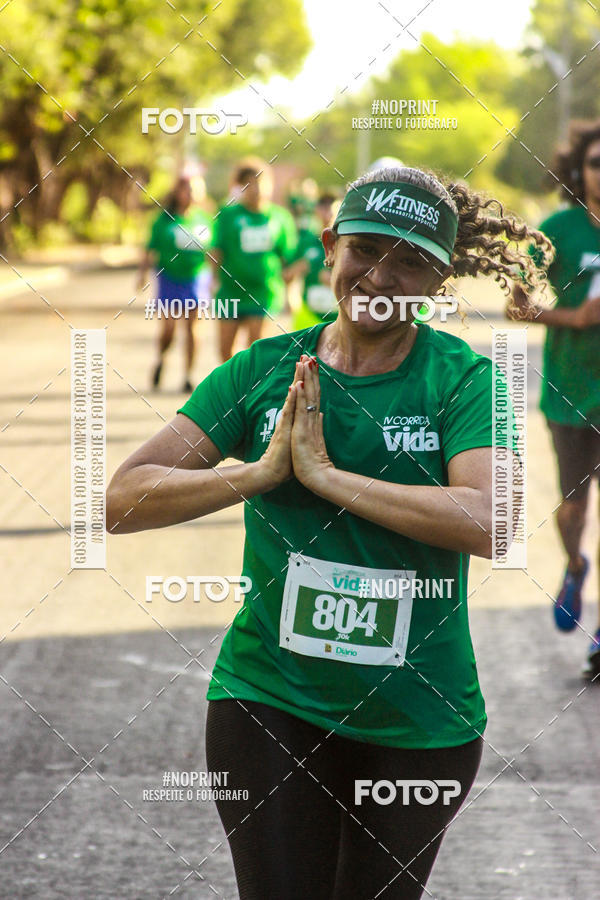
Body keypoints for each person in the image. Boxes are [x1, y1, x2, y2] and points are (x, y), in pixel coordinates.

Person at [107, 165, 550, 899]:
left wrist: (327, 478)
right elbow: (121, 499)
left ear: (441, 279)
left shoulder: (464, 381)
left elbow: (491, 519)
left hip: (417, 723)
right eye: (366, 249)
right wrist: (254, 474)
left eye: (411, 261)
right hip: (269, 699)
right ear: (328, 247)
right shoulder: (264, 370)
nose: (381, 274)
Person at [509, 119, 600, 678]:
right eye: (596, 163)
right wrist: (575, 317)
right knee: (574, 506)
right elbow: (517, 303)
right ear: (579, 170)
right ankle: (574, 563)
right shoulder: (558, 230)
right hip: (572, 392)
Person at [211, 158, 298, 361]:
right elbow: (216, 251)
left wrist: (291, 292)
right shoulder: (228, 215)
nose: (255, 189)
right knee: (225, 352)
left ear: (270, 184)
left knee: (255, 351)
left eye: (259, 182)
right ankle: (234, 390)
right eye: (248, 183)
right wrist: (212, 280)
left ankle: (250, 392)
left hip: (263, 292)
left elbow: (289, 259)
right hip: (230, 292)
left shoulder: (280, 217)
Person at [138, 174, 212, 393]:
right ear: (178, 192)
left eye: (195, 189)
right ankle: (162, 357)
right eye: (187, 189)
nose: (191, 194)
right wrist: (141, 274)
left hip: (196, 278)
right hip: (169, 278)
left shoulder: (205, 219)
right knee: (169, 328)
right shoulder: (164, 219)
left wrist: (216, 277)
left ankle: (188, 374)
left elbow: (214, 250)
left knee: (192, 329)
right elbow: (150, 248)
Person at [284, 192, 339, 331]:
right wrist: (290, 297)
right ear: (317, 211)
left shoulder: (346, 242)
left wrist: (333, 279)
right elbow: (288, 275)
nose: (327, 215)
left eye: (331, 209)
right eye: (324, 208)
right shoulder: (306, 240)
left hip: (337, 316)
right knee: (302, 352)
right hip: (309, 314)